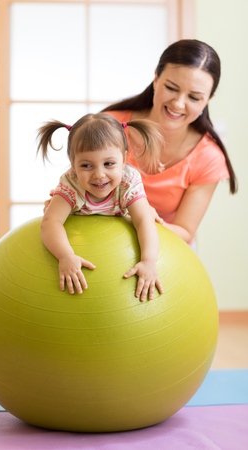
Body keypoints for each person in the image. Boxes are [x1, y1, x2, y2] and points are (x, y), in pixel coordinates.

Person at [101, 39, 237, 248]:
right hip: (102, 239)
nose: (178, 104)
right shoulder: (109, 127)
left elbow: (184, 230)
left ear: (208, 99)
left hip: (168, 252)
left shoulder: (208, 157)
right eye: (172, 88)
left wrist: (140, 220)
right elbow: (79, 186)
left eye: (194, 97)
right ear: (156, 79)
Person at [37, 113, 164, 301]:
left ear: (123, 159)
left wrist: (149, 260)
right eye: (87, 165)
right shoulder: (71, 183)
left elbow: (144, 220)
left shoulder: (128, 181)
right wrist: (65, 256)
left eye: (109, 164)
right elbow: (50, 222)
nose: (99, 174)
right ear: (72, 163)